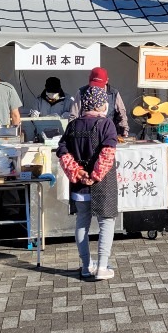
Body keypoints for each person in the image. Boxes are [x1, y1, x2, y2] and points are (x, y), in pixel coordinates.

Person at [56, 86, 119, 280]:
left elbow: (62, 151)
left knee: (82, 222)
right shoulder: (106, 124)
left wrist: (78, 172)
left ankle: (85, 266)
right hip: (102, 184)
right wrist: (95, 175)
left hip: (79, 185)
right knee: (106, 222)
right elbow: (108, 152)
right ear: (101, 104)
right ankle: (101, 267)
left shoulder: (73, 125)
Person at [70, 67, 129, 138]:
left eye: (99, 85)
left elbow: (122, 113)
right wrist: (73, 132)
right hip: (86, 133)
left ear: (107, 81)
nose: (96, 88)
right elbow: (73, 115)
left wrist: (124, 131)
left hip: (108, 132)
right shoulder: (81, 92)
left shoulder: (113, 93)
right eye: (94, 84)